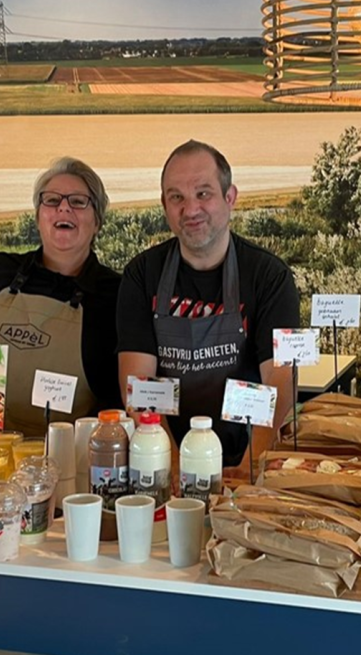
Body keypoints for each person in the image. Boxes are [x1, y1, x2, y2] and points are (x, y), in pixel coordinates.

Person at [116, 140, 300, 481]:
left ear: (230, 197)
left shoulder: (270, 277)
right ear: (164, 205)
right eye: (177, 197)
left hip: (245, 456)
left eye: (203, 194)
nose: (191, 210)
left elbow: (280, 378)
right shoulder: (142, 275)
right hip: (163, 456)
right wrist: (169, 464)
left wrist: (252, 464)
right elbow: (137, 379)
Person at [0, 157, 122, 437]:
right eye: (52, 200)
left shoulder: (115, 294)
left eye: (78, 201)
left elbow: (118, 405)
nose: (63, 207)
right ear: (38, 217)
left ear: (97, 221)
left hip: (63, 459)